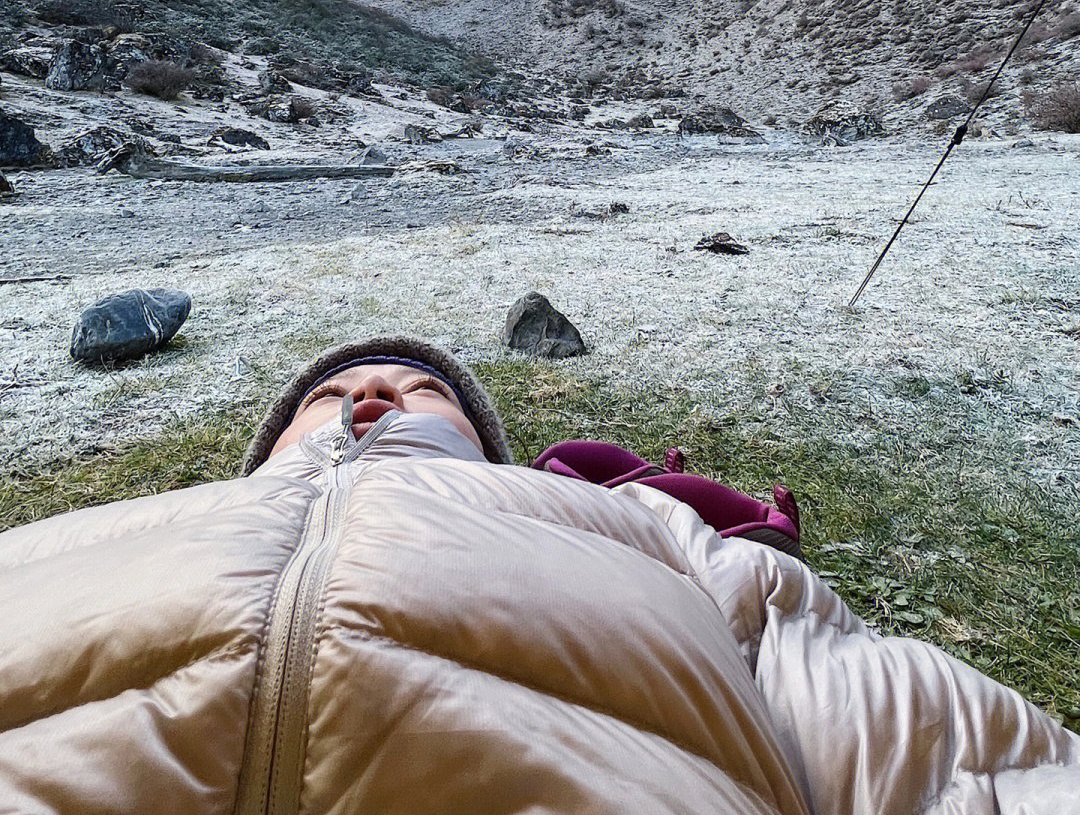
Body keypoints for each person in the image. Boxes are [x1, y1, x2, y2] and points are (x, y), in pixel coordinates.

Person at [0, 334, 1077, 814]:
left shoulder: (626, 523)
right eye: (328, 398)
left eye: (418, 390)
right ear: (274, 439)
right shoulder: (97, 530)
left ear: (481, 442)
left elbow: (914, 749)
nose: (367, 399)